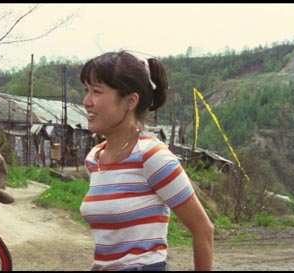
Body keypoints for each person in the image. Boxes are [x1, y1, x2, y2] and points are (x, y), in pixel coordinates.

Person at [79, 51, 214, 271]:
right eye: (86, 91)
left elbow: (203, 229)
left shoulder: (152, 156)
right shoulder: (94, 159)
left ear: (130, 101)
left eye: (96, 91)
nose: (87, 102)